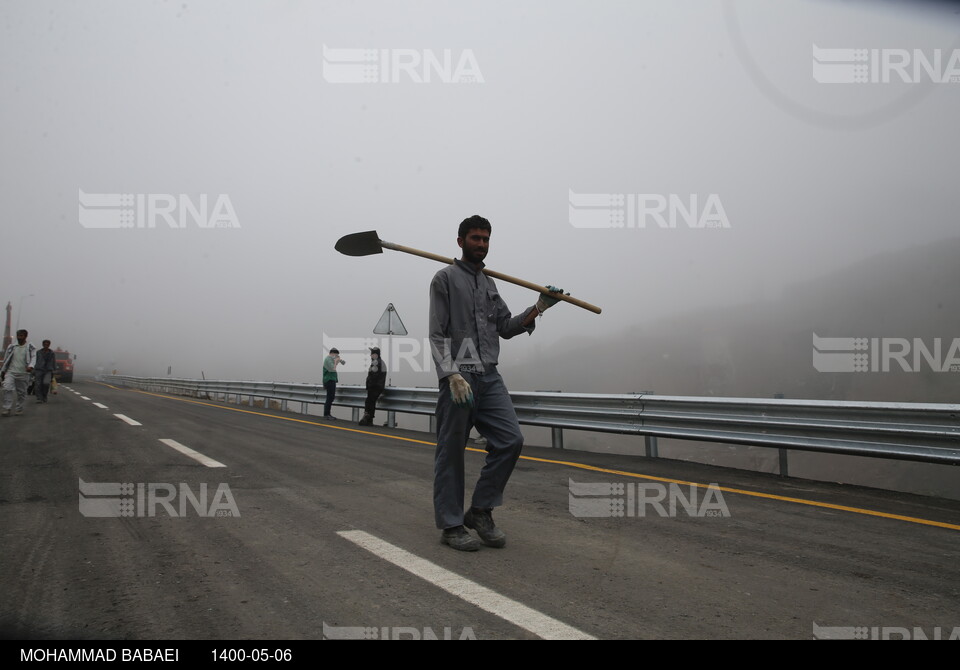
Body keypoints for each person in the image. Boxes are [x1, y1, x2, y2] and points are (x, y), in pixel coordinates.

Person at [429, 215, 566, 551]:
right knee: (451, 453)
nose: (481, 244)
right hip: (459, 377)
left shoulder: (490, 284)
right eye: (475, 238)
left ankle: (480, 511)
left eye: (486, 239)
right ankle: (451, 526)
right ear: (460, 241)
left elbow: (505, 326)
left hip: (489, 377)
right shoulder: (444, 279)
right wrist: (450, 374)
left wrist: (539, 307)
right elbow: (436, 333)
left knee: (510, 440)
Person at [1, 329, 36, 416]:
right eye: (18, 335)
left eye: (21, 336)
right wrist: (3, 370)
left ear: (25, 336)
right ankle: (7, 408)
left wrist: (31, 366)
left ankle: (19, 408)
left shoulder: (30, 347)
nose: (20, 337)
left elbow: (34, 357)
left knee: (21, 392)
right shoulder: (12, 347)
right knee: (7, 388)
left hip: (23, 373)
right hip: (11, 372)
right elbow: (6, 359)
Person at [359, 346, 387, 426]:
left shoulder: (376, 362)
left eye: (372, 354)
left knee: (369, 401)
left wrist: (369, 385)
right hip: (378, 386)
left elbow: (373, 376)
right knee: (371, 402)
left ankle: (366, 417)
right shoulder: (380, 362)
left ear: (375, 355)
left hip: (375, 386)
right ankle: (370, 420)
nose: (370, 356)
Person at [322, 348, 345, 419]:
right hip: (329, 380)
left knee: (331, 397)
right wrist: (336, 362)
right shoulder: (328, 359)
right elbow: (333, 369)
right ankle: (326, 414)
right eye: (336, 355)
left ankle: (327, 414)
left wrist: (339, 361)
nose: (336, 356)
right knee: (330, 397)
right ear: (332, 353)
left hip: (331, 380)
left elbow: (344, 363)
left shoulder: (331, 359)